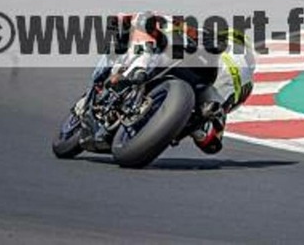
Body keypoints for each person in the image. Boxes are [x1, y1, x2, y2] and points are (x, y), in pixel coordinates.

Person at [106, 11, 256, 155]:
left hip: (194, 81)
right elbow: (212, 146)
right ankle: (196, 127)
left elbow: (162, 23)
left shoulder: (211, 42)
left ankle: (133, 72)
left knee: (148, 31)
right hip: (205, 96)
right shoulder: (244, 81)